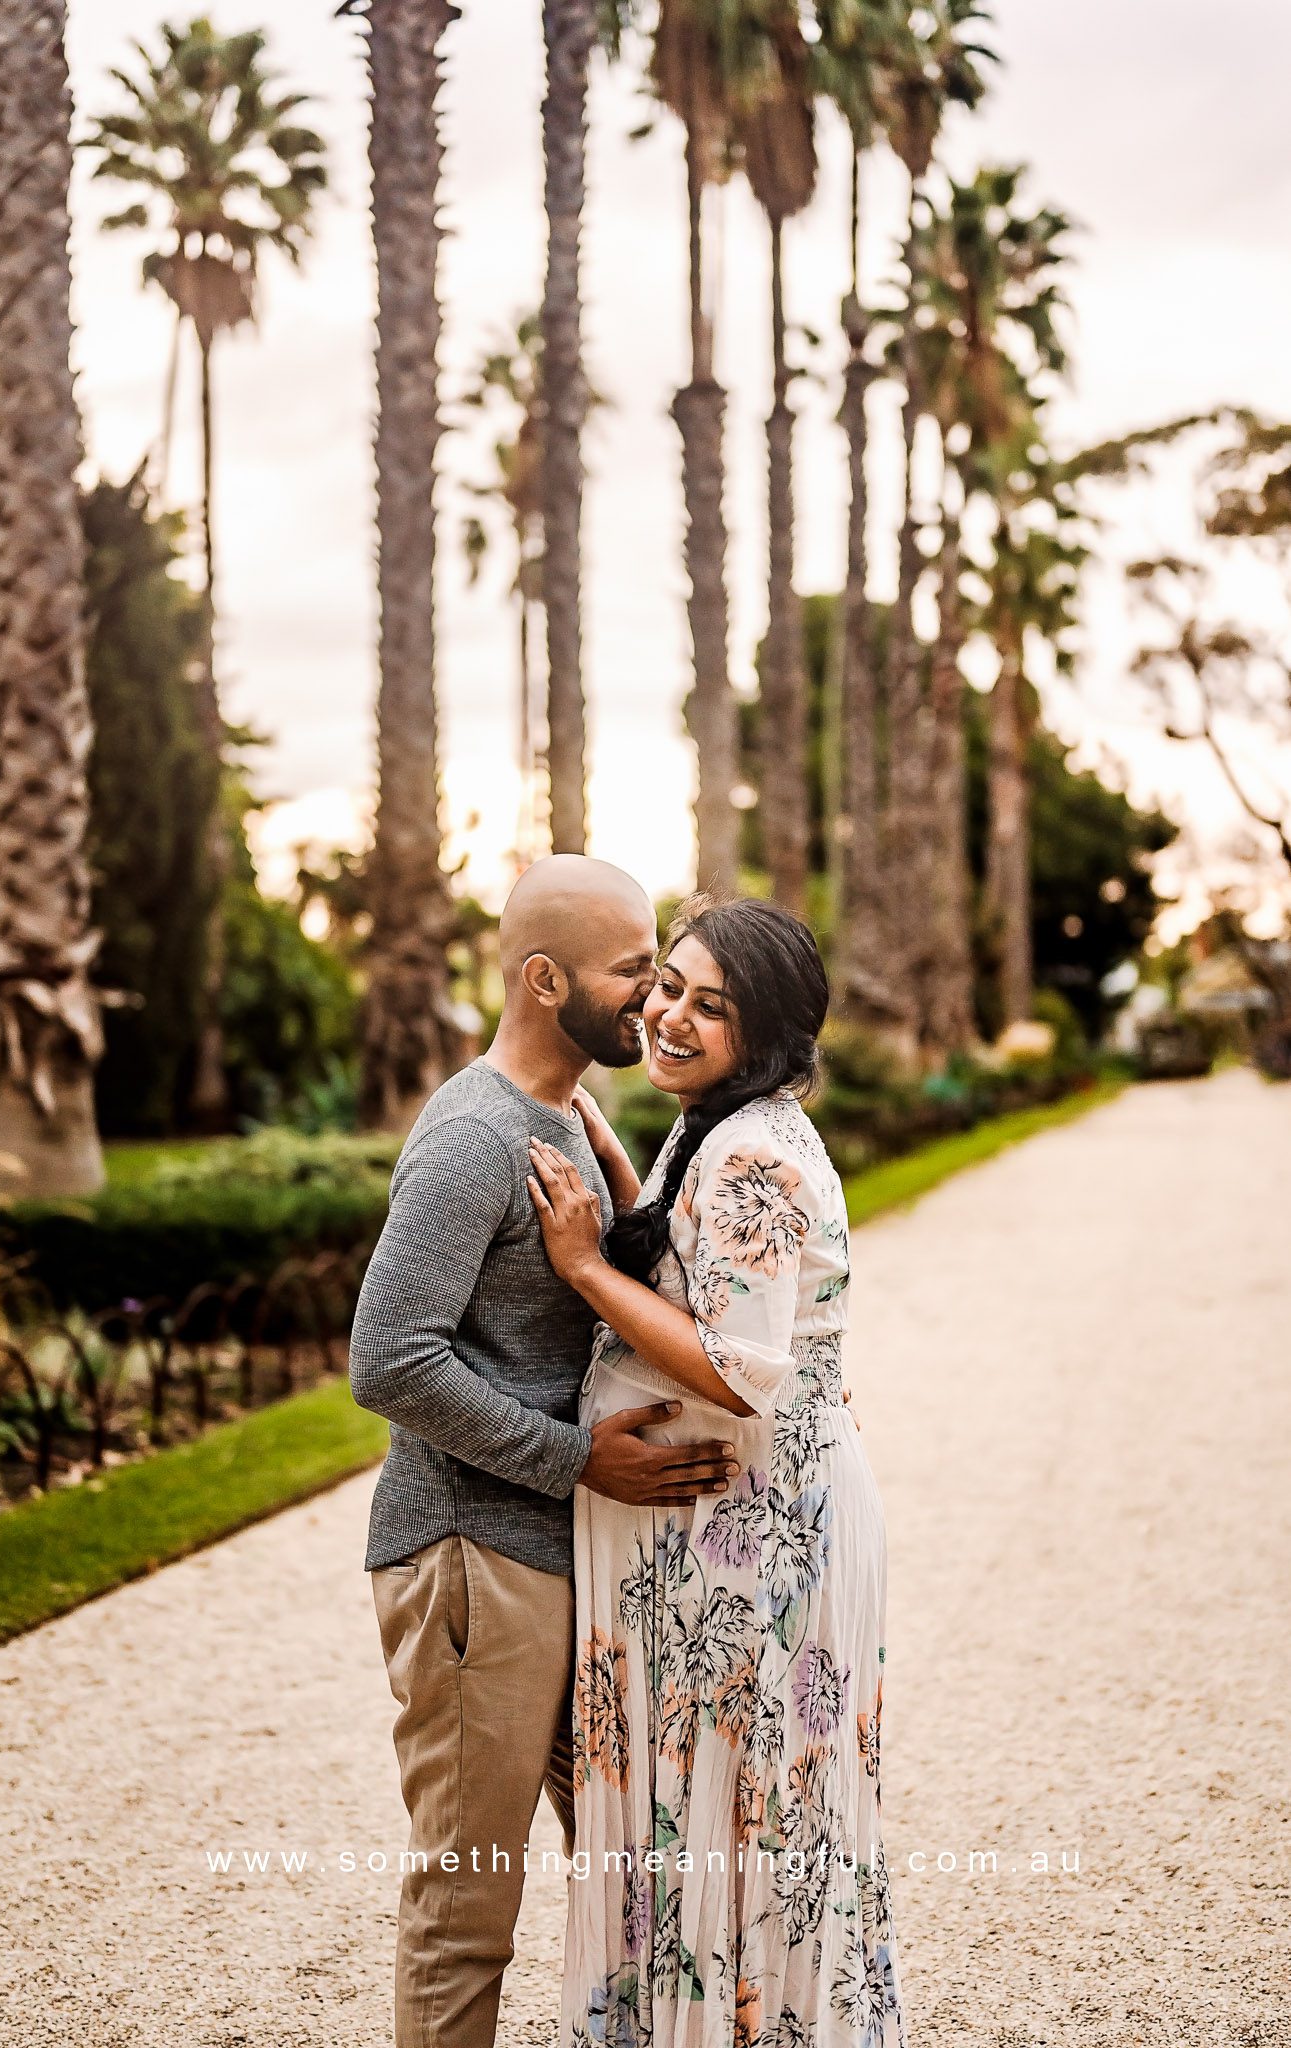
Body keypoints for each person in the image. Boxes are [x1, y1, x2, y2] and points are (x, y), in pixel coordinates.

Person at [348, 855, 744, 2048]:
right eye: (634, 969)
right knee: (467, 1903)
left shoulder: (569, 1109)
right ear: (542, 976)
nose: (654, 995)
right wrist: (577, 1457)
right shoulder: (476, 1135)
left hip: (559, 1557)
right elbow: (388, 1360)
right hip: (474, 1560)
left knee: (637, 1867)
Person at [527, 895, 906, 2048]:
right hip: (727, 1533)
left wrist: (586, 1263)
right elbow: (709, 1271)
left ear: (774, 1033)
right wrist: (629, 1181)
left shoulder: (749, 1151)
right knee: (723, 1819)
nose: (672, 1016)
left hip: (755, 1548)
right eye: (671, 986)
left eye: (713, 1005)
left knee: (743, 1821)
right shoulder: (720, 1123)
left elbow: (739, 1369)